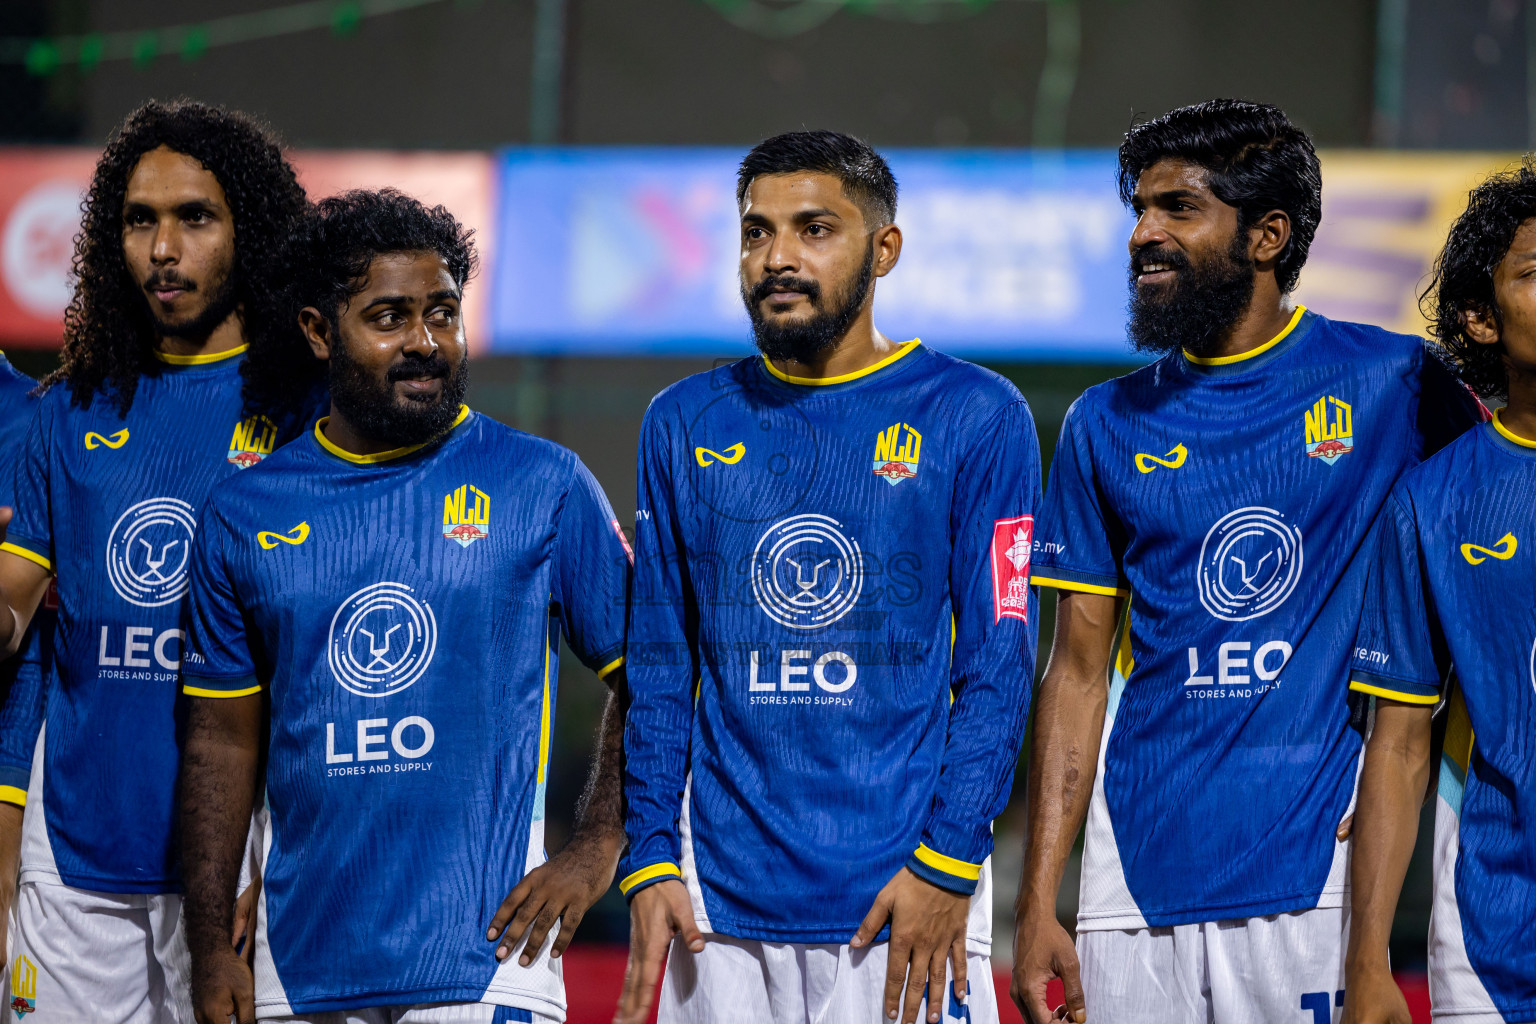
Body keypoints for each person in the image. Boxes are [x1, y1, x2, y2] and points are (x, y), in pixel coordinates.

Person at [1010, 99, 1484, 1024]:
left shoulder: (1398, 384)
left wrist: (1411, 754)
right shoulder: (1103, 423)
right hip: (1129, 882)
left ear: (1268, 236)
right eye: (1139, 210)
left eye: (1177, 208)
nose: (1144, 233)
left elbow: (1489, 556)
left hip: (1320, 876)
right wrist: (1038, 904)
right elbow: (1073, 673)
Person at [615, 130, 1040, 1024]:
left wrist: (950, 860)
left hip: (906, 895)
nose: (777, 257)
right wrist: (650, 855)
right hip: (717, 909)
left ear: (884, 248)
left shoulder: (976, 413)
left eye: (814, 229)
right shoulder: (683, 420)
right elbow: (660, 665)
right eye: (755, 231)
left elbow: (999, 668)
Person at [177, 189, 631, 1024]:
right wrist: (208, 946)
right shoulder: (246, 512)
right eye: (389, 317)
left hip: (490, 963)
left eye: (442, 314)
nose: (425, 342)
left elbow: (655, 672)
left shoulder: (543, 483)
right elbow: (216, 742)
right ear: (319, 332)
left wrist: (598, 845)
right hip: (298, 970)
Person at [0, 100, 312, 1022]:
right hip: (76, 849)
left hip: (240, 861)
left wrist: (294, 855)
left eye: (194, 217)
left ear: (246, 228)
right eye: (140, 220)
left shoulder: (307, 411)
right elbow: (15, 608)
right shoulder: (72, 407)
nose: (163, 248)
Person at [1342, 163, 1536, 1024]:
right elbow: (1400, 742)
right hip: (1495, 943)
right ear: (1480, 319)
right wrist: (1367, 958)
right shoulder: (1434, 500)